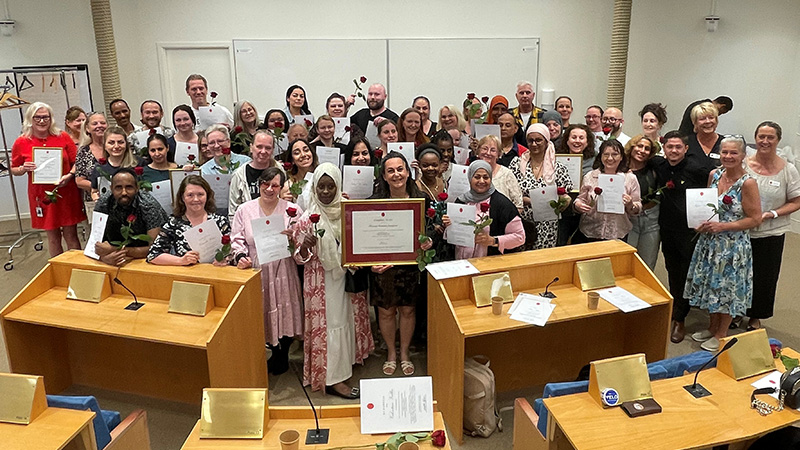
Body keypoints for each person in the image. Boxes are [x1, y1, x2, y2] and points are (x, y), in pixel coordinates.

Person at [292, 163, 372, 397]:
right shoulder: (307, 219)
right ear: (314, 188)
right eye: (321, 187)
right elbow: (298, 258)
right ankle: (333, 379)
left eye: (331, 186)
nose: (326, 192)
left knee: (347, 320)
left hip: (348, 278)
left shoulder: (348, 210)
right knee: (331, 325)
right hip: (322, 282)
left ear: (338, 186)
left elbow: (361, 241)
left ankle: (345, 366)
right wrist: (305, 247)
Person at [685, 136, 761, 351]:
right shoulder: (714, 174)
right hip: (709, 242)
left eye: (733, 152)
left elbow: (755, 219)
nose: (728, 156)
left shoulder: (747, 183)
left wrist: (724, 226)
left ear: (743, 155)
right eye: (724, 152)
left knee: (726, 289)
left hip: (732, 246)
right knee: (711, 285)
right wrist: (700, 223)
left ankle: (721, 333)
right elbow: (707, 207)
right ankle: (712, 327)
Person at [230, 167, 303, 375]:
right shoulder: (245, 209)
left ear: (281, 187)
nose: (269, 189)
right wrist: (240, 256)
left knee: (285, 309)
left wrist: (294, 238)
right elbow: (237, 238)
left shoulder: (292, 210)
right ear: (259, 184)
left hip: (284, 268)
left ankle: (283, 354)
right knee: (263, 310)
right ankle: (271, 351)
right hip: (257, 268)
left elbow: (302, 240)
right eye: (265, 184)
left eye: (275, 185)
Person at [369, 152, 433, 377]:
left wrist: (429, 241)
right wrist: (370, 264)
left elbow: (431, 229)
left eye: (400, 169)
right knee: (386, 312)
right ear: (384, 176)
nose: (396, 174)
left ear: (408, 172)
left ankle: (404, 353)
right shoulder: (372, 203)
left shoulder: (422, 199)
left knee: (408, 310)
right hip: (383, 267)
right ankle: (391, 353)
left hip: (410, 267)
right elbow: (366, 239)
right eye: (390, 171)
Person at [653, 131, 715, 343]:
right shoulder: (660, 165)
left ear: (686, 149)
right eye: (669, 147)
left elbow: (716, 180)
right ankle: (676, 308)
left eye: (678, 147)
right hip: (667, 228)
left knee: (686, 272)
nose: (673, 151)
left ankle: (680, 318)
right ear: (664, 148)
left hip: (690, 232)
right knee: (672, 270)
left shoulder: (697, 169)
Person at [739, 122, 800, 331]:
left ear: (778, 140)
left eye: (770, 137)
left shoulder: (788, 170)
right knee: (740, 274)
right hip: (742, 230)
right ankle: (737, 312)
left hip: (771, 232)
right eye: (761, 137)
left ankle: (756, 315)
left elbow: (796, 201)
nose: (765, 141)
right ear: (755, 138)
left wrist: (772, 214)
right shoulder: (743, 164)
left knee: (765, 277)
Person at [11, 102, 85, 257]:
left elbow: (78, 162)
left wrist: (69, 176)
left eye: (46, 117)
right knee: (53, 238)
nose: (42, 121)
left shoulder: (62, 137)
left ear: (51, 118)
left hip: (66, 191)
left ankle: (77, 267)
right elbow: (14, 169)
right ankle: (58, 269)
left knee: (71, 235)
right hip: (41, 195)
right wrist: (23, 168)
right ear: (30, 119)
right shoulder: (21, 141)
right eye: (37, 117)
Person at [443, 159, 525, 258]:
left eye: (486, 177)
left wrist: (493, 241)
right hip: (461, 261)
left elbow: (520, 237)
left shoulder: (502, 204)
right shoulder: (461, 201)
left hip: (490, 262)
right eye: (477, 177)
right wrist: (448, 226)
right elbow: (453, 237)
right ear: (470, 178)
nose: (481, 181)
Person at [510, 123, 572, 249]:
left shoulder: (557, 167)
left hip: (547, 225)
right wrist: (525, 200)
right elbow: (509, 191)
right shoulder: (516, 164)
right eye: (530, 140)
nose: (534, 144)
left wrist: (564, 201)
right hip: (522, 223)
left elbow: (566, 193)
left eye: (538, 140)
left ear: (546, 141)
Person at [147, 175, 230, 266]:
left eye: (200, 194)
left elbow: (233, 252)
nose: (196, 199)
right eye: (190, 195)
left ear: (207, 196)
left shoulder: (221, 222)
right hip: (186, 273)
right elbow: (153, 255)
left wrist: (226, 259)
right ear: (182, 198)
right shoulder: (173, 224)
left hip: (217, 272)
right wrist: (181, 260)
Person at [93, 168, 167, 266]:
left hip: (145, 258)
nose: (124, 192)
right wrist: (104, 258)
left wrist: (114, 250)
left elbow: (155, 248)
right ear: (111, 188)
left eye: (129, 187)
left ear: (137, 188)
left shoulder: (148, 205)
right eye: (118, 188)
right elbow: (94, 243)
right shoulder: (103, 203)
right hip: (114, 256)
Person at [573, 139, 641, 242]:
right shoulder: (590, 176)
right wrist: (578, 204)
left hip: (618, 232)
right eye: (606, 154)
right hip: (590, 231)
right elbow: (580, 199)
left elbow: (637, 207)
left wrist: (630, 204)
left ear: (621, 157)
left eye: (615, 154)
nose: (610, 158)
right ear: (600, 156)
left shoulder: (629, 178)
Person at [556, 124, 597, 246]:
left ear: (587, 141)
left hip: (585, 212)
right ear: (567, 140)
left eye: (581, 138)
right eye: (574, 137)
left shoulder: (596, 160)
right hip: (562, 211)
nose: (577, 141)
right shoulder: (556, 158)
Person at [625, 135, 660, 269]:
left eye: (647, 148)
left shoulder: (654, 168)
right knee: (627, 262)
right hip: (628, 219)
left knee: (647, 264)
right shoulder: (621, 168)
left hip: (651, 220)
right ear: (632, 147)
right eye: (639, 146)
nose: (642, 151)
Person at [229, 130, 282, 218]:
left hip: (275, 221)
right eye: (259, 147)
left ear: (273, 150)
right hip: (248, 223)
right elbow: (233, 212)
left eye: (268, 148)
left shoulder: (280, 171)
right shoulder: (239, 175)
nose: (263, 151)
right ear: (251, 147)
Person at [90, 127, 143, 200]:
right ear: (104, 146)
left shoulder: (139, 163)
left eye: (120, 142)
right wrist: (96, 198)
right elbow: (94, 191)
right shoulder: (99, 168)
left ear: (126, 144)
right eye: (111, 143)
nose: (116, 146)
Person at [475, 135, 523, 211]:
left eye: (493, 150)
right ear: (478, 151)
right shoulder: (469, 172)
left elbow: (519, 206)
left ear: (499, 154)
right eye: (485, 149)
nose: (488, 153)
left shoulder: (507, 174)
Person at [74, 112, 108, 200]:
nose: (99, 126)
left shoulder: (115, 147)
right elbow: (79, 181)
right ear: (87, 129)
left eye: (102, 123)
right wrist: (101, 186)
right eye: (95, 124)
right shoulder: (83, 151)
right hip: (94, 200)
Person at [283, 138, 318, 204]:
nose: (303, 155)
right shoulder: (288, 185)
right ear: (292, 160)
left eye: (306, 150)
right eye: (297, 153)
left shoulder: (322, 177)